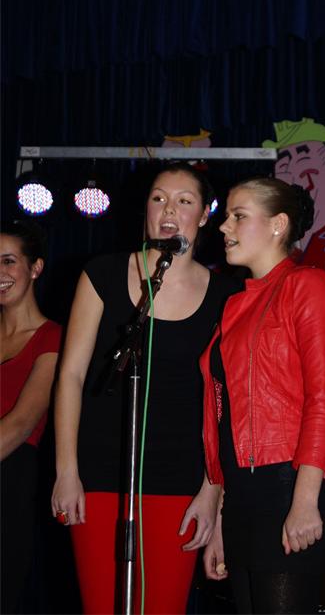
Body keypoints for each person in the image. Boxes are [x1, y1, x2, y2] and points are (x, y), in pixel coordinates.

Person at [51, 162, 242, 614]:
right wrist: (66, 470)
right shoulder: (102, 274)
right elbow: (71, 375)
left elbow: (226, 403)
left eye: (184, 200)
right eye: (159, 198)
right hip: (99, 473)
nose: (169, 209)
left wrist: (212, 491)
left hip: (181, 479)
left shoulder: (227, 294)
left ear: (204, 215)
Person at [201, 177, 325, 614]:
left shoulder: (309, 286)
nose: (223, 227)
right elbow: (226, 418)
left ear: (278, 224)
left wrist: (304, 500)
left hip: (288, 483)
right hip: (241, 494)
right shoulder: (234, 306)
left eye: (238, 216)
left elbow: (323, 398)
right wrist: (221, 516)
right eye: (226, 216)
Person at [0, 220, 62, 614]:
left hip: (11, 481)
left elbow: (22, 423)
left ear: (35, 267)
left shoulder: (52, 337)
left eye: (8, 261)